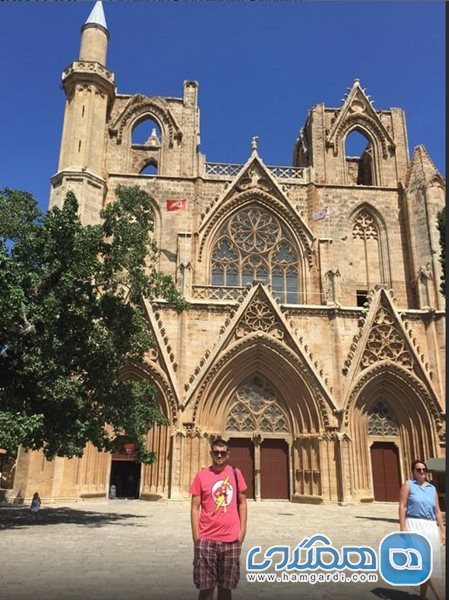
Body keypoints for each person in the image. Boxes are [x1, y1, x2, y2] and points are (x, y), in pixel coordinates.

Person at [190, 438, 247, 600]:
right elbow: (195, 507)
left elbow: (242, 503)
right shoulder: (201, 476)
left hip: (231, 540)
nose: (219, 455)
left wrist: (242, 532)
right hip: (206, 540)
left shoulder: (236, 473)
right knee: (205, 589)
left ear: (228, 454)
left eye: (222, 452)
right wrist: (197, 538)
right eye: (216, 452)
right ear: (211, 453)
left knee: (225, 589)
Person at [398, 459, 445, 600]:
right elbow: (402, 506)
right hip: (414, 525)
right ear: (413, 471)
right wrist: (403, 527)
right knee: (425, 564)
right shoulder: (408, 485)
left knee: (430, 564)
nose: (422, 472)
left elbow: (437, 511)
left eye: (424, 469)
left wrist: (443, 530)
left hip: (430, 526)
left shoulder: (432, 488)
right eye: (418, 469)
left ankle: (422, 597)